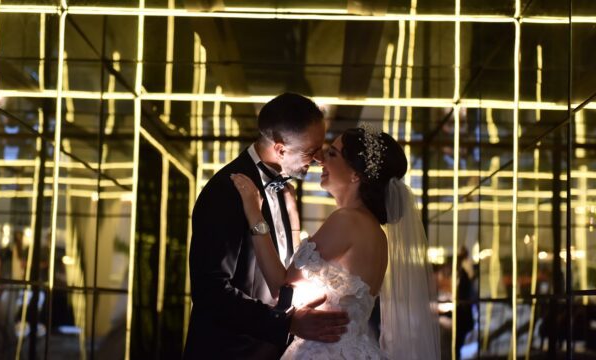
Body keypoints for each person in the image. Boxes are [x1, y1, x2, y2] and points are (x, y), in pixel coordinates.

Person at [231, 127, 441, 359]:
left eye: (332, 154)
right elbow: (300, 268)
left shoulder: (346, 221)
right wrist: (291, 213)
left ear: (355, 174)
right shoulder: (374, 231)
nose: (320, 160)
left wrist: (254, 214)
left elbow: (282, 288)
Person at [183, 93, 350, 359]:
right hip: (229, 351)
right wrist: (286, 324)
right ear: (281, 149)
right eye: (311, 150)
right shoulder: (226, 191)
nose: (319, 158)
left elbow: (283, 275)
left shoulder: (287, 192)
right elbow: (210, 292)